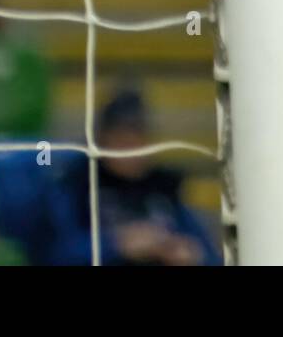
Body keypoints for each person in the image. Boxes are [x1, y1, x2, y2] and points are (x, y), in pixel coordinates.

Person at [43, 90, 222, 266]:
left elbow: (207, 252)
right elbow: (55, 253)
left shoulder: (163, 188)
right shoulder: (78, 184)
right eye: (122, 142)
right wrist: (118, 244)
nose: (131, 153)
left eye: (138, 142)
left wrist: (192, 255)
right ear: (102, 141)